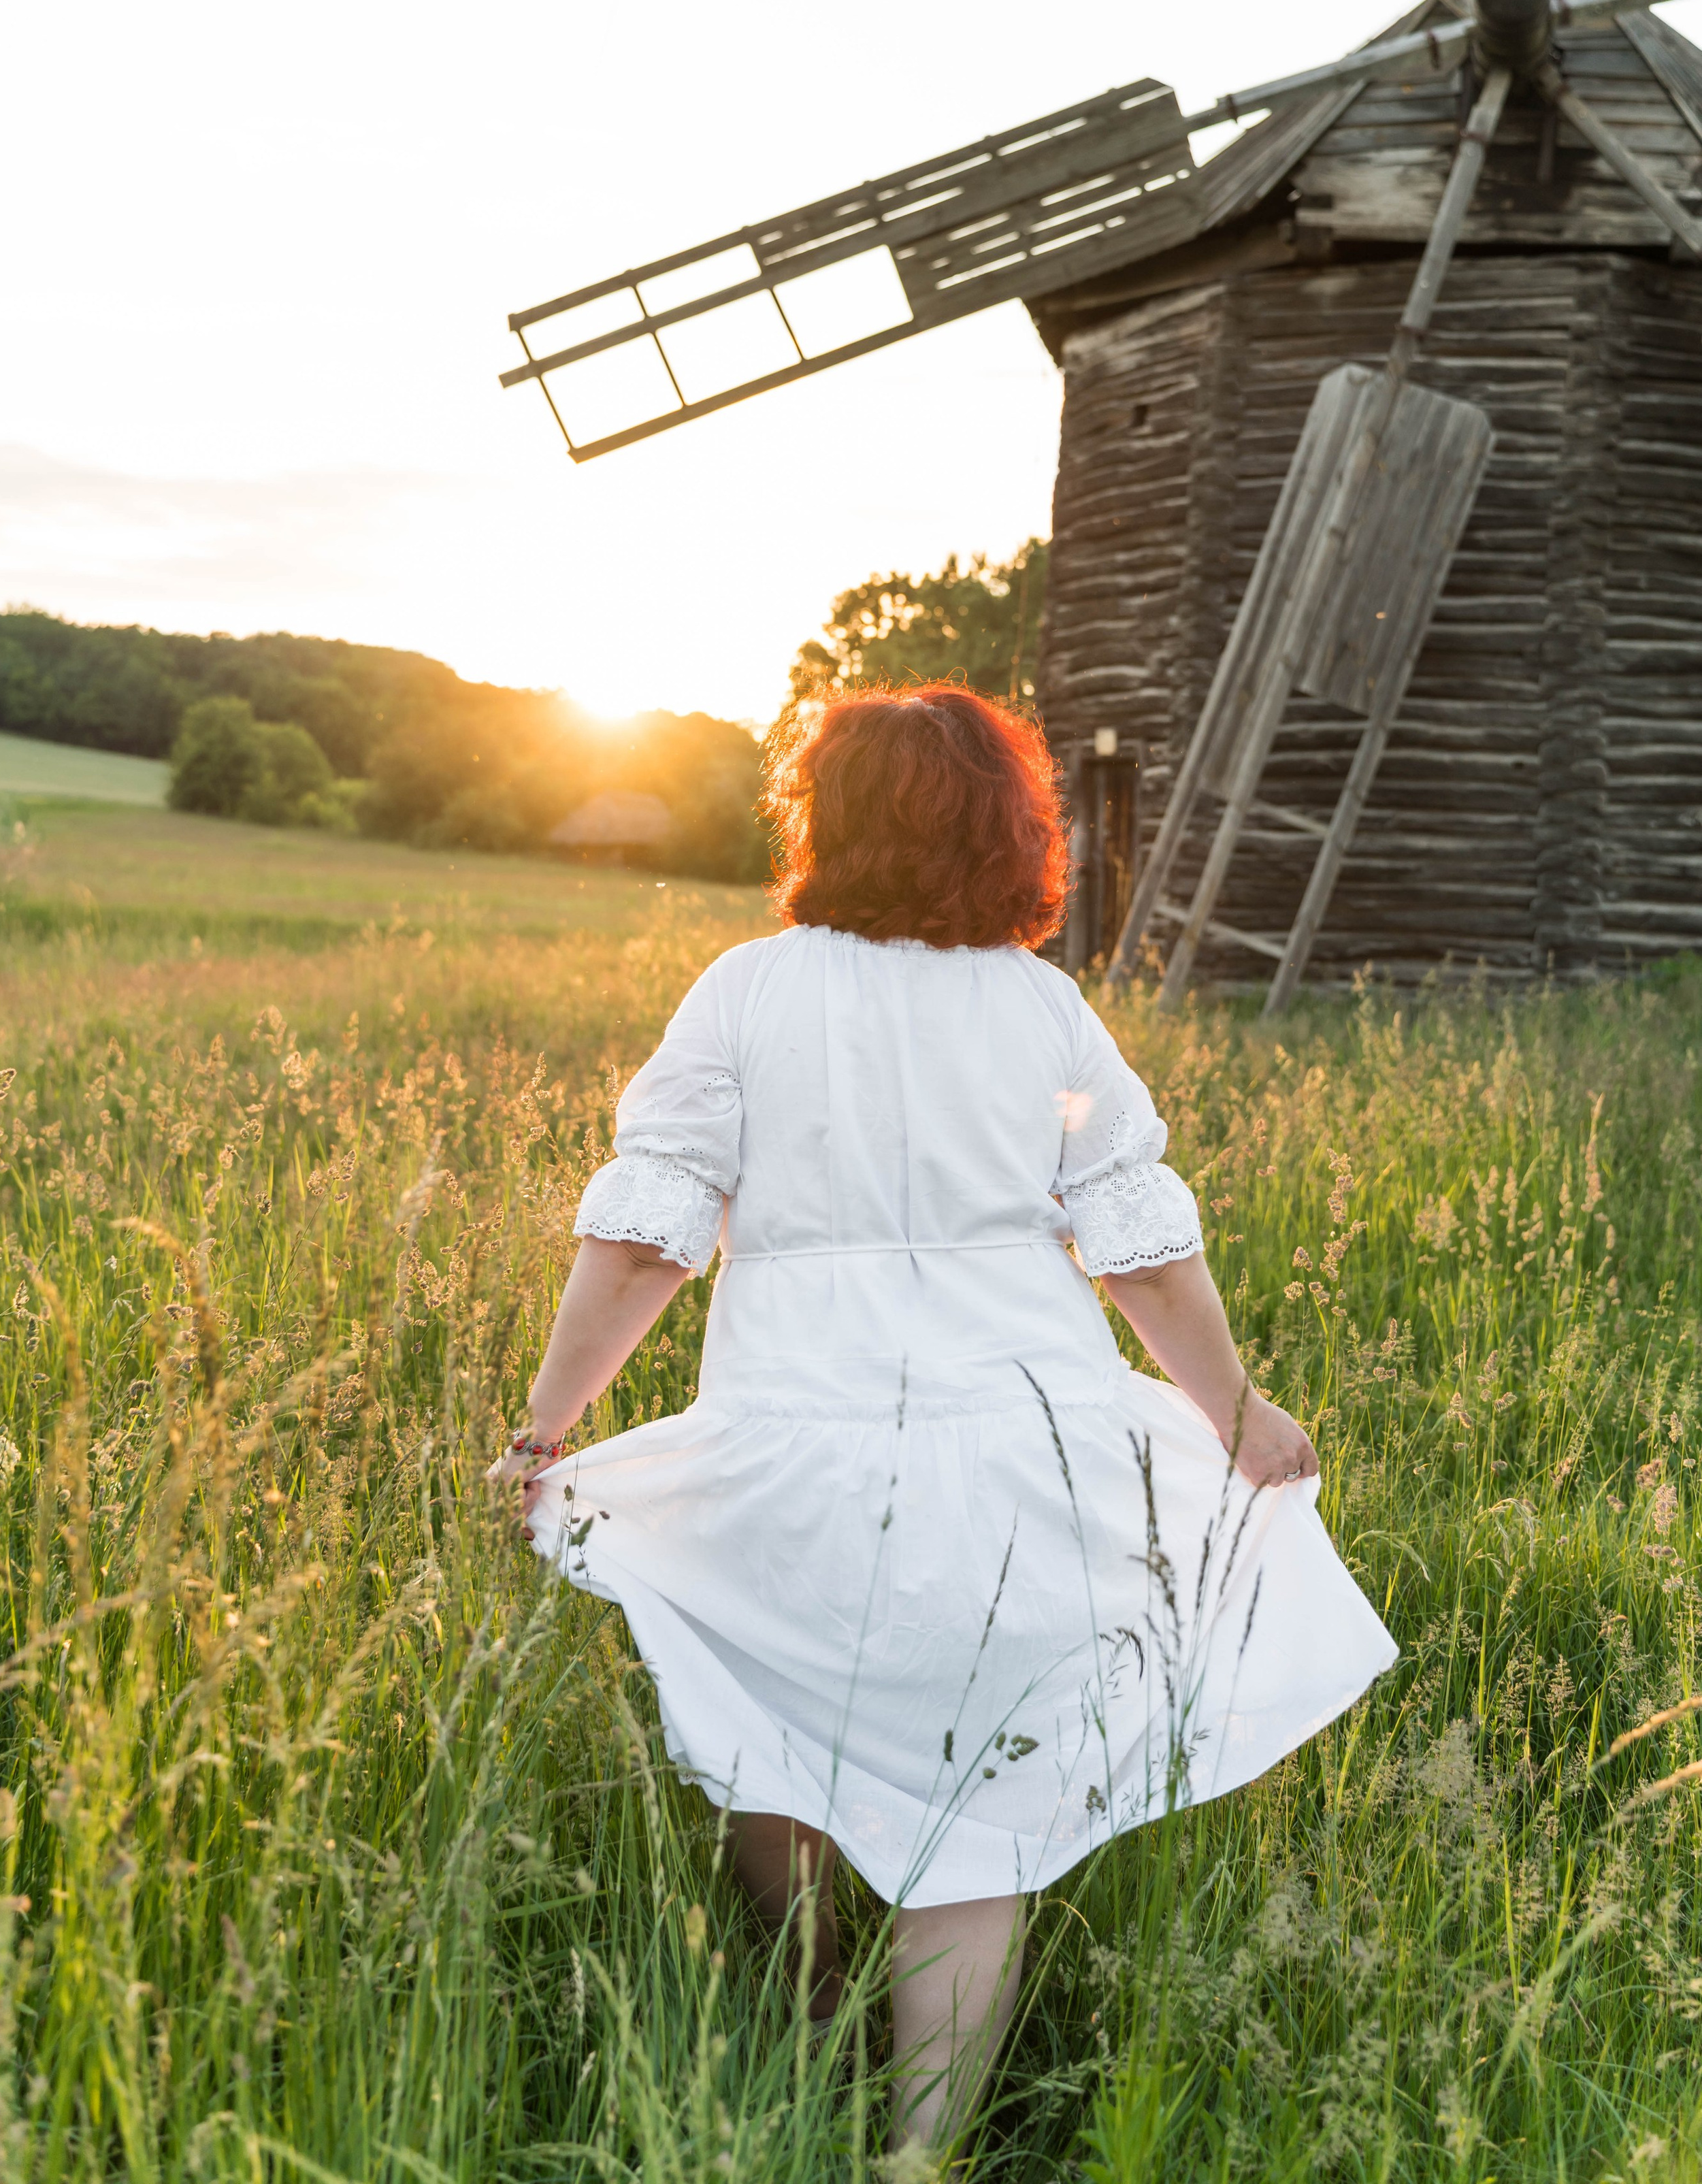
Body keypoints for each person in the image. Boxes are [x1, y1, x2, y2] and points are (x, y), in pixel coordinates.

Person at [489, 685, 1396, 2151]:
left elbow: (648, 1240)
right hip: (1026, 1447)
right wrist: (1233, 1410)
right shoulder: (1041, 1006)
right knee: (979, 1820)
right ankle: (918, 2158)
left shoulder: (746, 990)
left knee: (765, 1732)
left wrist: (548, 1425)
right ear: (1008, 830)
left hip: (795, 1445)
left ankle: (812, 2024)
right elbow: (1137, 1247)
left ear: (825, 819)